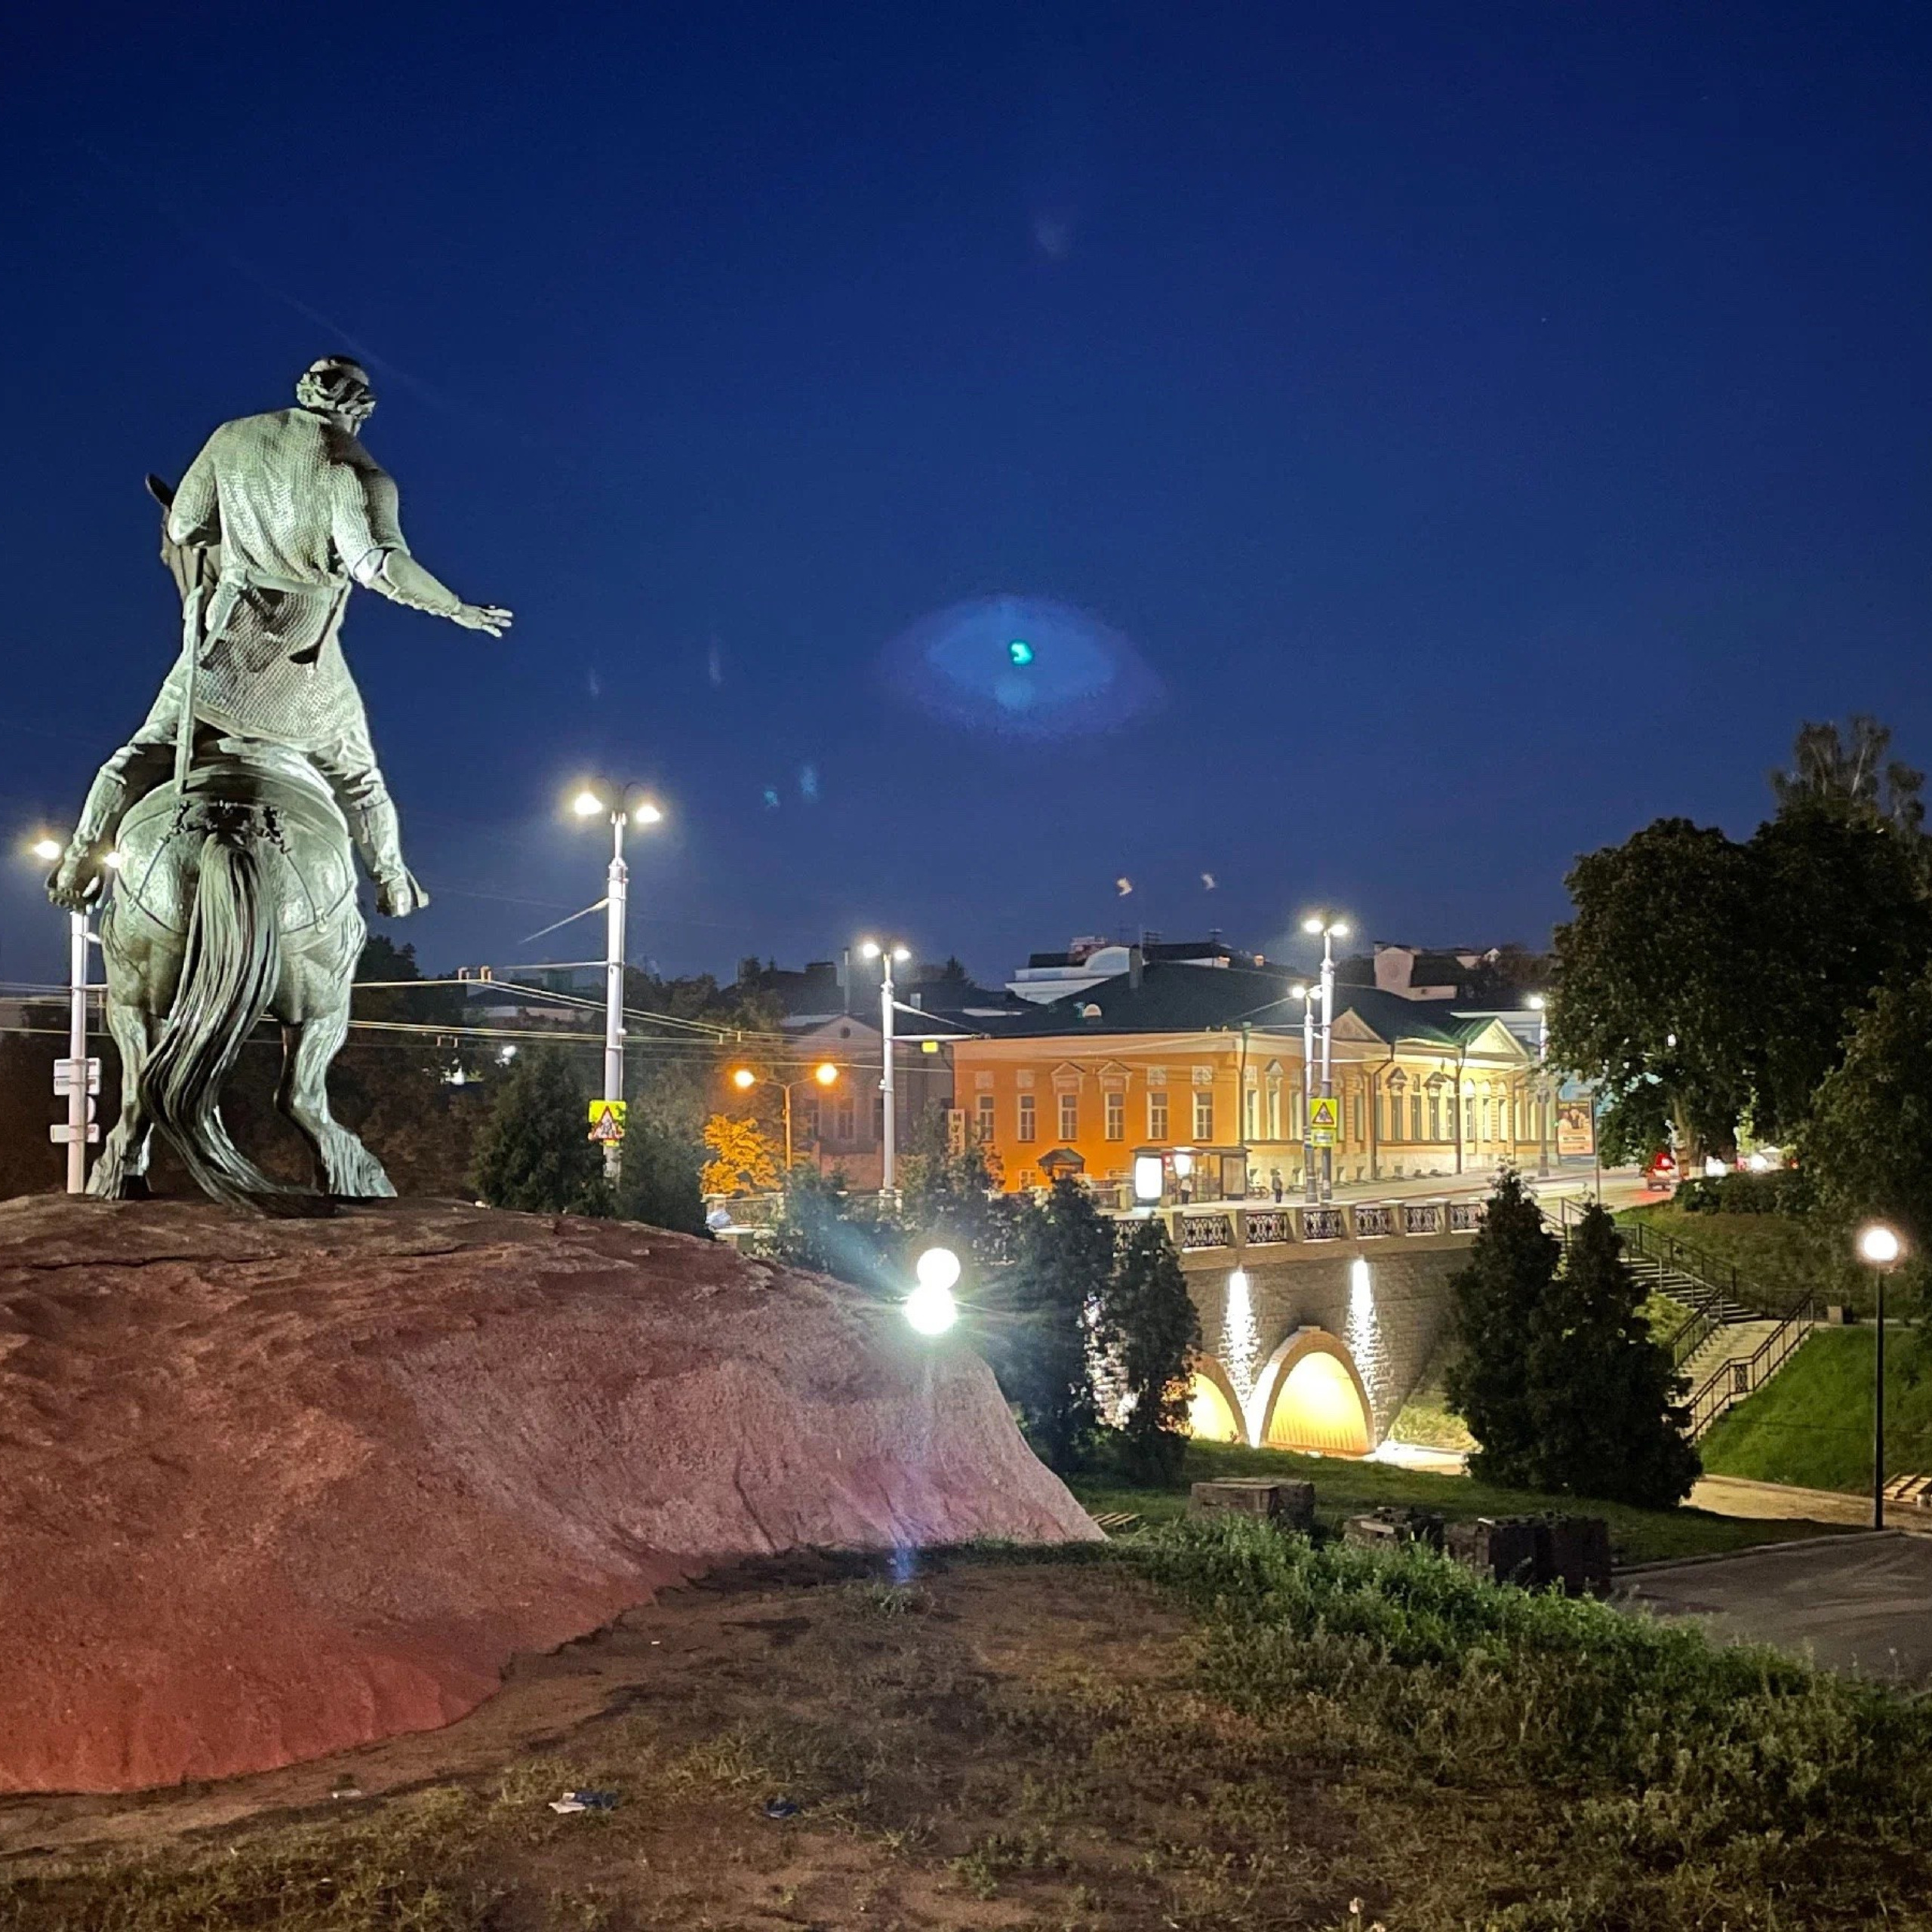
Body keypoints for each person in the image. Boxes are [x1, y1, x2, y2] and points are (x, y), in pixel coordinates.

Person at [48, 356, 512, 918]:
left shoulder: (233, 438)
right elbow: (381, 569)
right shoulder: (357, 474)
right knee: (360, 779)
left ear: (304, 390)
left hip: (219, 660)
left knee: (136, 758)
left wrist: (242, 527)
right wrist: (456, 608)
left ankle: (78, 859)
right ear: (360, 410)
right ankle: (391, 878)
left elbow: (184, 528)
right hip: (306, 679)